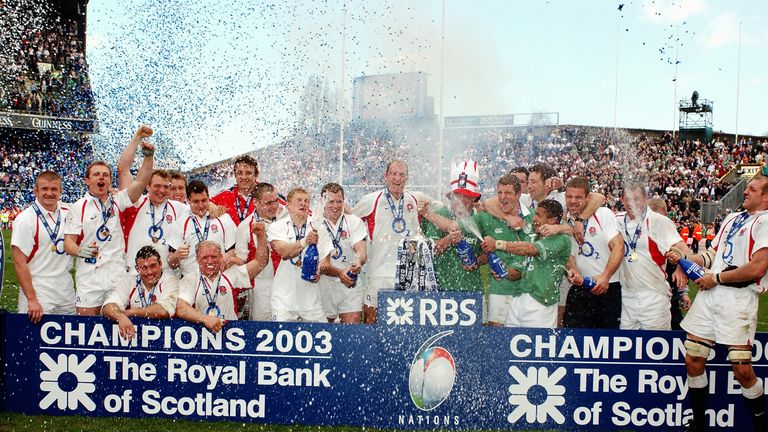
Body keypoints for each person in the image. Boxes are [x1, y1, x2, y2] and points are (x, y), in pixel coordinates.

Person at [673, 172, 768, 432]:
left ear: (766, 197)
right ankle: (699, 423)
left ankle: (761, 424)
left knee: (742, 369)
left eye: (752, 190)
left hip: (738, 299)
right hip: (709, 297)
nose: (745, 192)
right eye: (746, 188)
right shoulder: (732, 218)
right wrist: (688, 260)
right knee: (693, 359)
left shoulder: (766, 222)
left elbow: (757, 268)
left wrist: (715, 277)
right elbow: (713, 254)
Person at [63, 141, 155, 316]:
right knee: (86, 327)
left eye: (105, 175)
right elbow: (68, 244)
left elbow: (142, 182)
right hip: (90, 277)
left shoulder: (118, 201)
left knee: (119, 326)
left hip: (116, 276)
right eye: (96, 174)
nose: (101, 178)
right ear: (87, 180)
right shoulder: (79, 207)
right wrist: (80, 250)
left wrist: (148, 157)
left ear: (110, 180)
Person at [351, 160, 421, 323]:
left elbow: (417, 233)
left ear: (407, 178)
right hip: (378, 271)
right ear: (386, 176)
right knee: (372, 318)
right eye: (394, 174)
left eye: (402, 174)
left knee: (404, 320)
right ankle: (371, 349)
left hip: (405, 274)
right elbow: (350, 222)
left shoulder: (412, 201)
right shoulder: (371, 200)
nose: (397, 178)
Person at [615, 181, 690, 330]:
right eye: (628, 199)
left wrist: (681, 268)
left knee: (655, 347)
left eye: (636, 198)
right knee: (627, 348)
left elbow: (684, 250)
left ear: (645, 199)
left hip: (653, 295)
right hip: (626, 296)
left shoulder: (659, 221)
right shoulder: (616, 220)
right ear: (622, 200)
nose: (632, 203)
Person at [11, 171, 75, 322]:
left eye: (54, 189)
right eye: (44, 189)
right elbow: (19, 262)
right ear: (36, 191)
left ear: (61, 191)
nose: (49, 193)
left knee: (67, 343)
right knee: (32, 343)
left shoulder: (70, 213)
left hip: (66, 291)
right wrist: (31, 299)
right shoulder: (25, 219)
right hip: (39, 291)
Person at [496, 199, 571, 328]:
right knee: (509, 343)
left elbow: (531, 250)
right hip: (518, 298)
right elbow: (516, 273)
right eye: (535, 214)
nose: (534, 218)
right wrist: (501, 271)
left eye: (539, 215)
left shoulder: (561, 240)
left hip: (541, 303)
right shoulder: (531, 237)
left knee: (537, 346)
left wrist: (498, 244)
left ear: (552, 220)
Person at [561, 177, 624, 329]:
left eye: (578, 197)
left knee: (606, 343)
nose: (573, 201)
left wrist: (605, 276)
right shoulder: (564, 220)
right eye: (569, 196)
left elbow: (618, 247)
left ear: (588, 198)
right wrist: (573, 270)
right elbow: (569, 253)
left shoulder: (602, 214)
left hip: (607, 287)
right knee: (574, 342)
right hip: (580, 288)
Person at [474, 174, 534, 326]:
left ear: (519, 194)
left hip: (527, 291)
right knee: (498, 335)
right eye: (499, 192)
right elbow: (463, 230)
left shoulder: (532, 218)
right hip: (500, 289)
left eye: (507, 193)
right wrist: (477, 258)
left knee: (525, 338)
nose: (502, 197)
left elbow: (531, 251)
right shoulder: (488, 217)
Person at [175, 239, 269, 333]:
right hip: (200, 335)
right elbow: (181, 308)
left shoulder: (232, 274)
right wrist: (205, 319)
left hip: (230, 334)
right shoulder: (191, 279)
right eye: (205, 257)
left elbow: (261, 263)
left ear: (220, 257)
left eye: (214, 257)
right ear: (197, 259)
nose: (210, 261)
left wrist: (260, 236)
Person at [419, 160, 483, 292]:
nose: (461, 201)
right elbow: (430, 252)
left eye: (466, 197)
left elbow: (489, 251)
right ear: (451, 197)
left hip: (472, 288)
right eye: (457, 196)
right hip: (442, 288)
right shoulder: (440, 214)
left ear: (473, 200)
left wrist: (478, 260)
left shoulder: (480, 218)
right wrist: (449, 239)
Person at [101, 246, 179, 340]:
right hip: (135, 336)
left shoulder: (171, 281)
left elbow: (163, 311)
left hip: (168, 338)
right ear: (137, 269)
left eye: (153, 266)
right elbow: (107, 306)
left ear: (161, 264)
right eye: (144, 267)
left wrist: (131, 312)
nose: (149, 272)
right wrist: (120, 316)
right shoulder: (129, 281)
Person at [317, 183, 367, 323]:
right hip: (323, 285)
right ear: (322, 201)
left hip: (349, 283)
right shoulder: (314, 223)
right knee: (323, 334)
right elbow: (322, 264)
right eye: (331, 201)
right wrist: (340, 272)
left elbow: (361, 251)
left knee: (352, 334)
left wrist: (358, 262)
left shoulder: (354, 222)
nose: (335, 206)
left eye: (339, 201)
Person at [122, 169, 188, 274]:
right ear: (148, 186)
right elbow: (123, 170)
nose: (162, 190)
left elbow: (201, 208)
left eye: (166, 187)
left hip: (166, 275)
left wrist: (213, 207)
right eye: (157, 186)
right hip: (136, 273)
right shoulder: (136, 204)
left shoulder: (180, 209)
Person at [167, 180, 237, 277]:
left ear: (209, 198)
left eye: (204, 200)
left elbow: (234, 249)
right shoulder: (179, 223)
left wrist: (227, 257)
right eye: (196, 201)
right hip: (191, 282)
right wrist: (176, 256)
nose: (200, 205)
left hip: (219, 279)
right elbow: (171, 263)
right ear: (188, 201)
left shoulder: (223, 217)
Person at [234, 182, 281, 321]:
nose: (274, 206)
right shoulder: (244, 227)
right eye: (268, 203)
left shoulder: (287, 215)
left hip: (287, 284)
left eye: (276, 201)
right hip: (262, 287)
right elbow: (241, 259)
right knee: (262, 329)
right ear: (256, 202)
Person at [648, 197, 691, 330]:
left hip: (669, 297)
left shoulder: (668, 234)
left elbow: (685, 255)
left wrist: (683, 293)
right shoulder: (638, 235)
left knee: (673, 334)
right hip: (643, 297)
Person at [210, 155, 260, 225]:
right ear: (235, 175)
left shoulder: (266, 194)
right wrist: (213, 209)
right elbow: (201, 205)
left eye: (248, 173)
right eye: (239, 173)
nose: (244, 177)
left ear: (256, 175)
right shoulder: (226, 195)